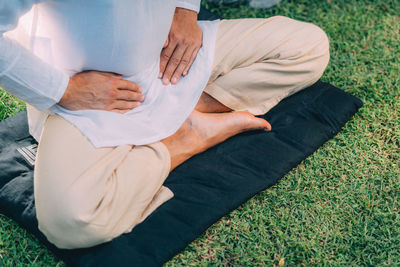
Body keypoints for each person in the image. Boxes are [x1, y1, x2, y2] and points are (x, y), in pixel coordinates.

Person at [0, 0, 329, 249]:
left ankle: (190, 113)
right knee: (70, 223)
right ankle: (181, 140)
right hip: (90, 98)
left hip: (169, 62)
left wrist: (185, 9)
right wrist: (63, 91)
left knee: (309, 47)